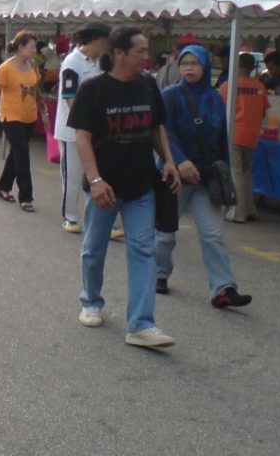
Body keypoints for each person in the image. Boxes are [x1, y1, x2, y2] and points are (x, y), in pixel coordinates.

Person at [69, 26, 181, 348]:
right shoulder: (94, 90)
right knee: (94, 246)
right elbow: (82, 137)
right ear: (119, 53)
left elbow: (156, 128)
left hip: (141, 185)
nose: (147, 57)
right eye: (140, 52)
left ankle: (141, 324)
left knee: (144, 250)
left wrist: (169, 161)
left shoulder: (147, 86)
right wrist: (95, 179)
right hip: (105, 187)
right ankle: (91, 302)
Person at [156, 44, 253, 309]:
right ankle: (158, 273)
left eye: (194, 64)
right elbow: (164, 131)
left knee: (213, 235)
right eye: (184, 63)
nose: (188, 68)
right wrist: (180, 161)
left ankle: (224, 288)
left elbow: (221, 137)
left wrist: (223, 178)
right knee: (164, 234)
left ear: (206, 67)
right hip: (174, 176)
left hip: (205, 178)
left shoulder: (213, 97)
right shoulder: (170, 95)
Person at [0, 30, 50, 213]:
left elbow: (36, 91)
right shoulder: (5, 68)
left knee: (16, 153)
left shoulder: (33, 65)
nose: (34, 50)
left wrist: (44, 113)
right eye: (31, 47)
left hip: (29, 116)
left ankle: (3, 187)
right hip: (10, 116)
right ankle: (26, 196)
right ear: (20, 47)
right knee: (22, 153)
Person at [54, 22, 113, 235]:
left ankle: (105, 218)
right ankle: (69, 216)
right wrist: (84, 122)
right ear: (98, 39)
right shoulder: (72, 62)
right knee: (72, 175)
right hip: (72, 132)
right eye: (107, 41)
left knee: (98, 173)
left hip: (95, 130)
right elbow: (69, 98)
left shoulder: (99, 62)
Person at [221, 52, 269, 223]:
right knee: (247, 171)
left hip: (234, 132)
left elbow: (221, 109)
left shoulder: (229, 85)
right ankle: (250, 209)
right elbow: (264, 110)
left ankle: (238, 212)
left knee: (236, 172)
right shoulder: (260, 87)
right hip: (253, 133)